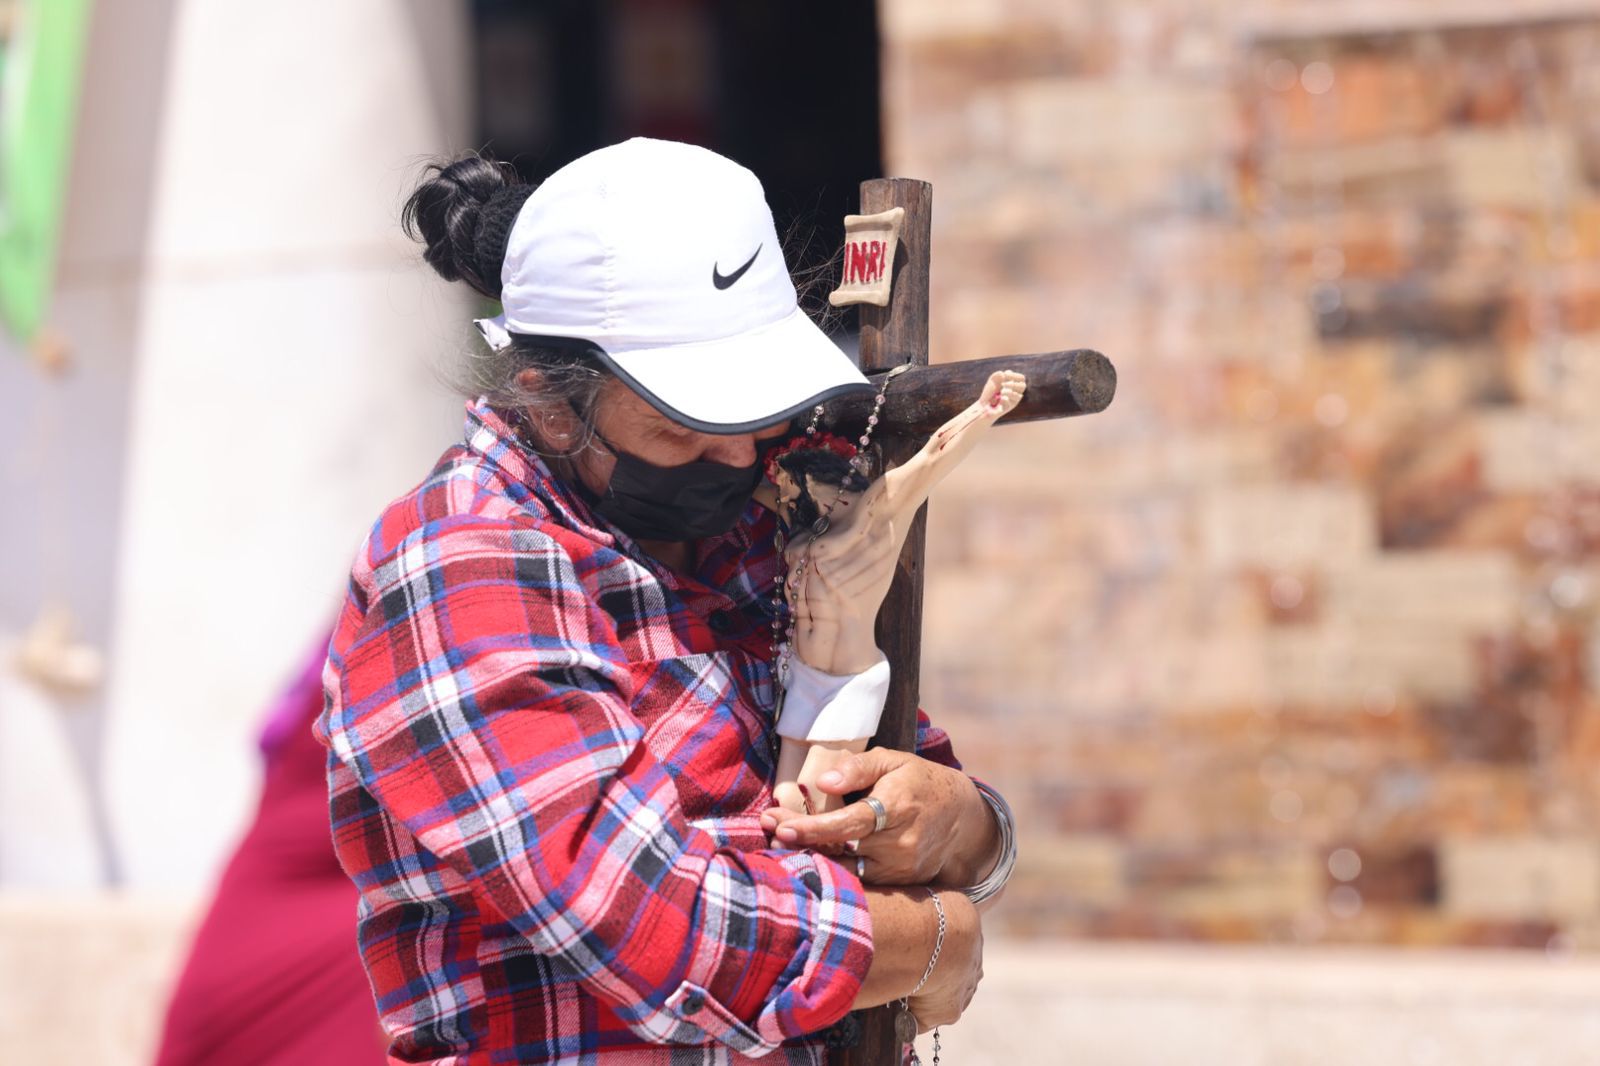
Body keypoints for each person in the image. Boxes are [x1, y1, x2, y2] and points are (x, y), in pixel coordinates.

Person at [317, 137, 1014, 1064]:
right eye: (686, 425)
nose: (739, 454)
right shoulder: (462, 568)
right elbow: (662, 934)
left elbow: (914, 785)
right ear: (551, 404)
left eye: (755, 407)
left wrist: (963, 824)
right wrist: (934, 940)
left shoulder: (753, 538)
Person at [761, 369, 1027, 817]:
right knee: (784, 796)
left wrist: (985, 409)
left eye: (784, 484)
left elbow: (931, 458)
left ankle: (835, 859)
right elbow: (745, 488)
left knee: (816, 794)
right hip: (804, 675)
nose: (779, 494)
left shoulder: (872, 516)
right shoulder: (803, 527)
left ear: (808, 478)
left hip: (848, 679)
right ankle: (800, 859)